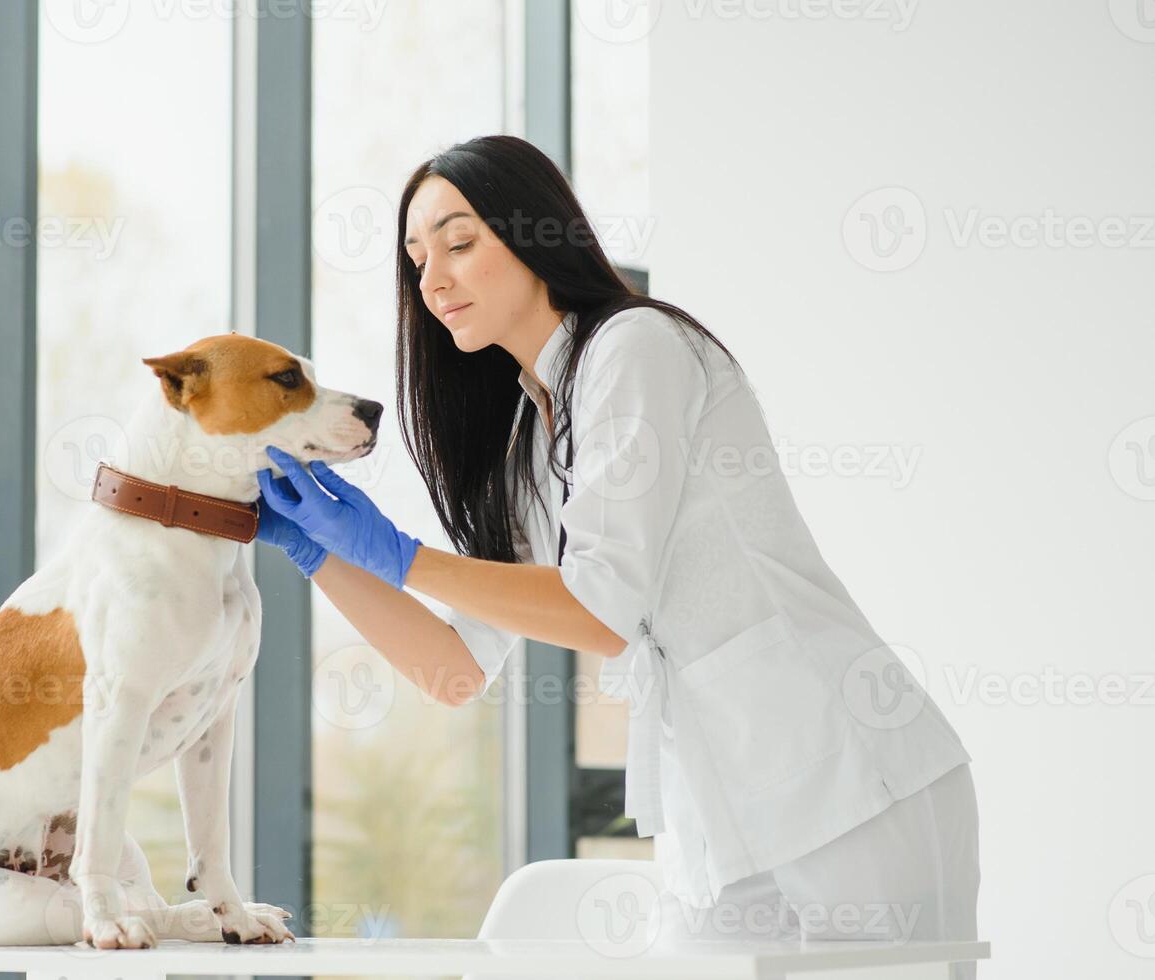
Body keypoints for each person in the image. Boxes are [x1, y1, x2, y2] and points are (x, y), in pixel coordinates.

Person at [256, 134, 979, 974]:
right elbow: (453, 669)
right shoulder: (533, 432)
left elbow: (601, 611)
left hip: (852, 781)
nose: (434, 279)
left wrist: (399, 552)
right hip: (718, 816)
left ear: (534, 235)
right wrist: (323, 556)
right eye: (416, 260)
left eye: (459, 242)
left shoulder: (635, 348)